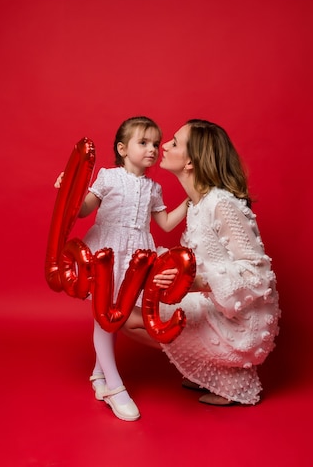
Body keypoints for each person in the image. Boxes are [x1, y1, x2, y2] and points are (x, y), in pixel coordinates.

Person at [123, 119, 280, 406]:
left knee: (131, 319)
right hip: (213, 302)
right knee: (127, 308)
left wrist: (195, 283)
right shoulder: (198, 203)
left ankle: (230, 375)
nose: (164, 147)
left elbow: (258, 273)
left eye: (173, 142)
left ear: (191, 162)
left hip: (241, 321)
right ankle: (212, 369)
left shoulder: (221, 204)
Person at [57, 116, 188, 421]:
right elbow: (84, 209)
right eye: (143, 143)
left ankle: (98, 376)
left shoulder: (154, 188)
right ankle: (114, 387)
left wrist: (192, 203)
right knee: (105, 317)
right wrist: (71, 188)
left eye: (156, 143)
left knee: (117, 314)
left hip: (137, 255)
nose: (153, 149)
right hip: (106, 252)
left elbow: (165, 222)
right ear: (122, 148)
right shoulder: (108, 177)